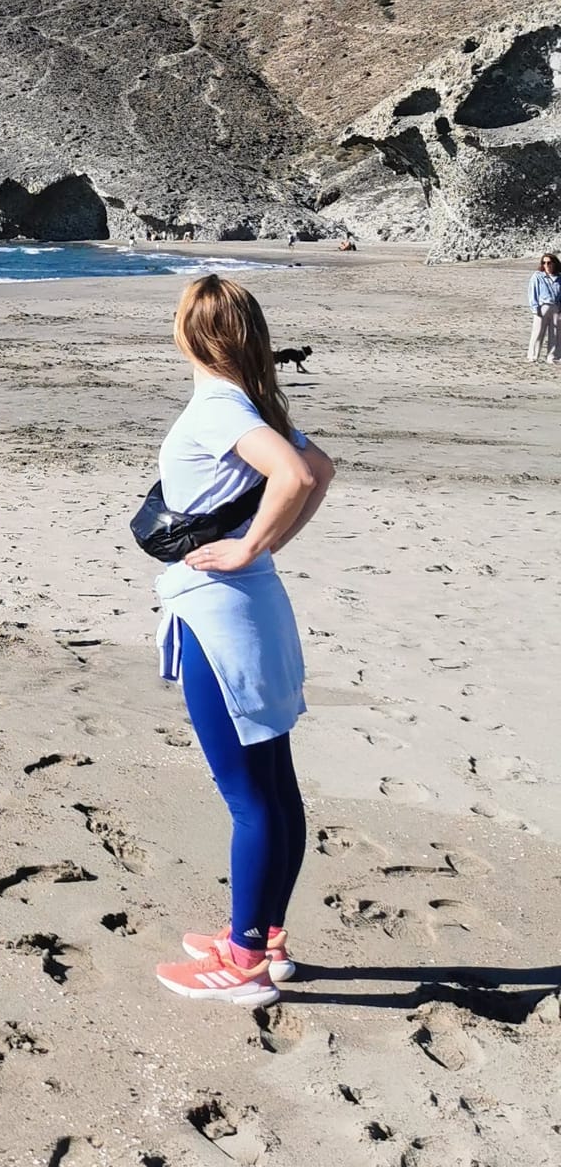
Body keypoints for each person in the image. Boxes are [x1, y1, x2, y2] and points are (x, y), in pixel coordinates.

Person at [151, 275, 335, 1006]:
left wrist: (248, 545)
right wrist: (264, 546)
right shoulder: (248, 404)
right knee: (275, 790)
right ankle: (264, 933)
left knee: (248, 797)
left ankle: (244, 958)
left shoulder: (218, 409)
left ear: (190, 334)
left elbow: (297, 475)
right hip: (257, 614)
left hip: (221, 620)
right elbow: (318, 471)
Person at [528, 255, 561, 366]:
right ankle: (533, 356)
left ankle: (553, 357)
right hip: (542, 307)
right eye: (544, 263)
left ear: (555, 263)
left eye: (549, 262)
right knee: (537, 333)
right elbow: (533, 293)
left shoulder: (559, 278)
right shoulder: (538, 276)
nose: (546, 265)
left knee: (555, 334)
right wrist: (534, 308)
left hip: (556, 307)